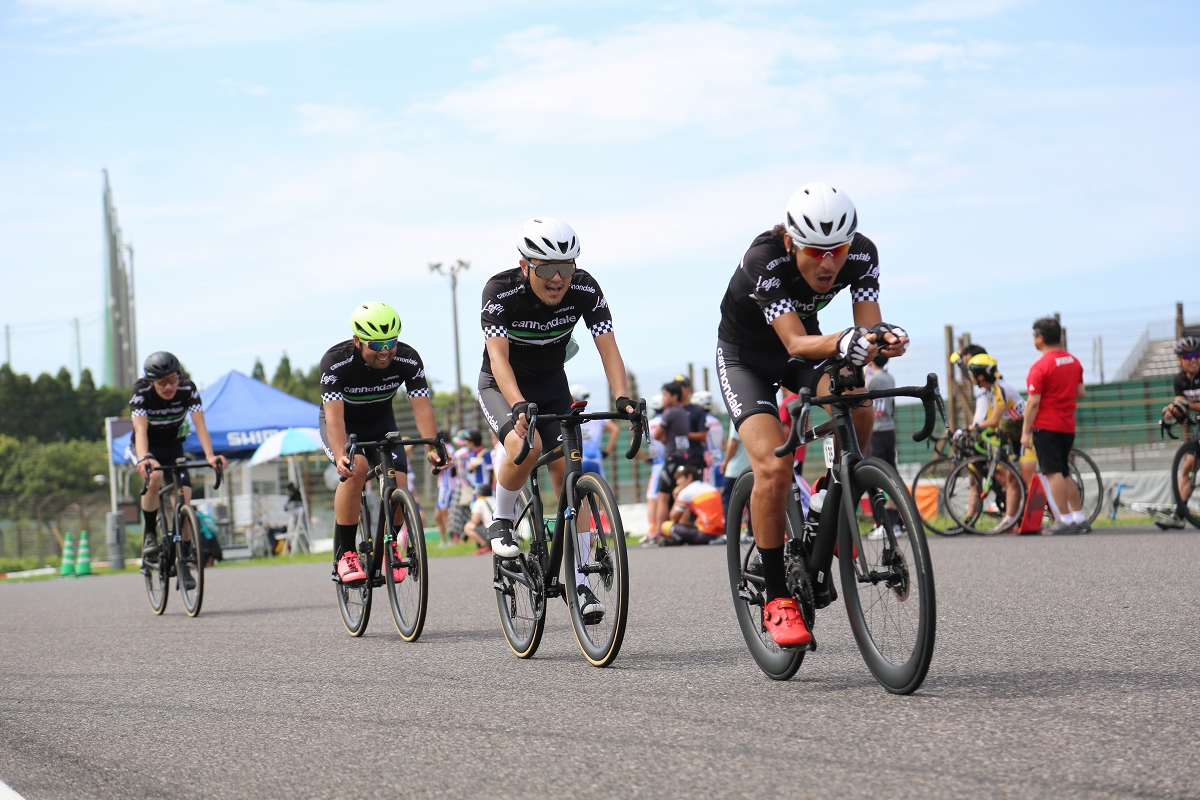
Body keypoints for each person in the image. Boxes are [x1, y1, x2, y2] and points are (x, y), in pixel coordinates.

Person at [716, 182, 908, 647]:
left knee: (857, 403)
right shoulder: (764, 258)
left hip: (807, 350)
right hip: (748, 359)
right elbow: (794, 342)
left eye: (837, 250)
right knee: (775, 466)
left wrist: (883, 338)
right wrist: (848, 340)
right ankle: (777, 599)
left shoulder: (863, 254)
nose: (829, 263)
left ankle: (826, 502)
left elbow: (867, 326)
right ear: (790, 242)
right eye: (816, 251)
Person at [476, 216, 635, 624]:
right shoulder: (500, 291)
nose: (558, 278)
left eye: (567, 267)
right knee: (523, 447)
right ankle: (501, 520)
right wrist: (517, 406)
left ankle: (581, 579)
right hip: (502, 383)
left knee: (572, 479)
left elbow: (608, 348)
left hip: (551, 383)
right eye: (547, 269)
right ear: (525, 265)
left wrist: (622, 396)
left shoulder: (584, 288)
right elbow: (498, 358)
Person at [318, 302, 447, 583]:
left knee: (399, 480)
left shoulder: (408, 359)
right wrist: (341, 454)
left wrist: (431, 447)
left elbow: (422, 407)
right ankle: (346, 552)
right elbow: (334, 418)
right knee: (356, 468)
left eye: (391, 342)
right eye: (376, 345)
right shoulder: (335, 362)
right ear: (357, 341)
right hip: (343, 425)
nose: (386, 350)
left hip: (381, 425)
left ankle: (392, 549)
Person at [130, 351, 226, 579]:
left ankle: (185, 557)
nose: (168, 386)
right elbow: (140, 430)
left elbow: (200, 425)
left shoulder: (187, 389)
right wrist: (144, 458)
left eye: (172, 379)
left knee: (184, 499)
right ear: (150, 381)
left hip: (173, 447)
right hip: (146, 446)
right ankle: (151, 534)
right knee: (153, 478)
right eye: (162, 382)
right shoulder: (140, 392)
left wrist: (210, 456)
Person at [1020, 317, 1086, 534]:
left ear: (1040, 338)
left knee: (1053, 473)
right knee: (1065, 473)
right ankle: (1080, 517)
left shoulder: (1040, 366)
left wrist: (1025, 431)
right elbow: (1080, 393)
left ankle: (1065, 520)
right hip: (1067, 425)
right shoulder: (1074, 361)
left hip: (1046, 426)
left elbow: (1033, 402)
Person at [966, 353, 1035, 531]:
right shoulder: (991, 389)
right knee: (1012, 478)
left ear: (980, 376)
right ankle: (1010, 520)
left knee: (1029, 479)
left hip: (1030, 431)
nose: (970, 377)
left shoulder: (999, 389)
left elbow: (994, 421)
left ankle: (1038, 519)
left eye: (971, 373)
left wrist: (973, 427)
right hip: (1016, 432)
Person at [1156, 335, 1200, 529]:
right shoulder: (1179, 380)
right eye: (1189, 355)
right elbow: (1181, 408)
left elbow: (1186, 404)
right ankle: (1179, 514)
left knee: (1191, 464)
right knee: (1187, 468)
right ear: (1179, 360)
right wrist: (1171, 411)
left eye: (1197, 354)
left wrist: (1186, 405)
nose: (1194, 359)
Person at [659, 464, 726, 545]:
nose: (677, 482)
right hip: (721, 533)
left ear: (689, 477)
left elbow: (673, 518)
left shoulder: (686, 492)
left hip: (705, 534)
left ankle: (679, 541)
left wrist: (676, 496)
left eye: (680, 478)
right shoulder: (709, 487)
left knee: (665, 526)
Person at [572, 385, 621, 478]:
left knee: (577, 489)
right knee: (600, 489)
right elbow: (615, 429)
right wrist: (607, 452)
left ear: (574, 398)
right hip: (595, 458)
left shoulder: (571, 415)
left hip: (577, 458)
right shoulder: (595, 413)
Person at [691, 390, 726, 488]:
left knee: (709, 492)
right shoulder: (717, 421)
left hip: (707, 463)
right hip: (720, 460)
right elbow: (724, 445)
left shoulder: (701, 421)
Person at [433, 429, 455, 546]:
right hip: (442, 485)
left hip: (446, 486)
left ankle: (451, 540)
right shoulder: (449, 448)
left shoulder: (446, 449)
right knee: (437, 516)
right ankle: (443, 540)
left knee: (445, 514)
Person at [462, 483, 496, 553]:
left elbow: (476, 521)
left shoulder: (479, 502)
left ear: (480, 494)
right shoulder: (495, 500)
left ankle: (486, 546)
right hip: (501, 529)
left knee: (468, 527)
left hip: (490, 532)